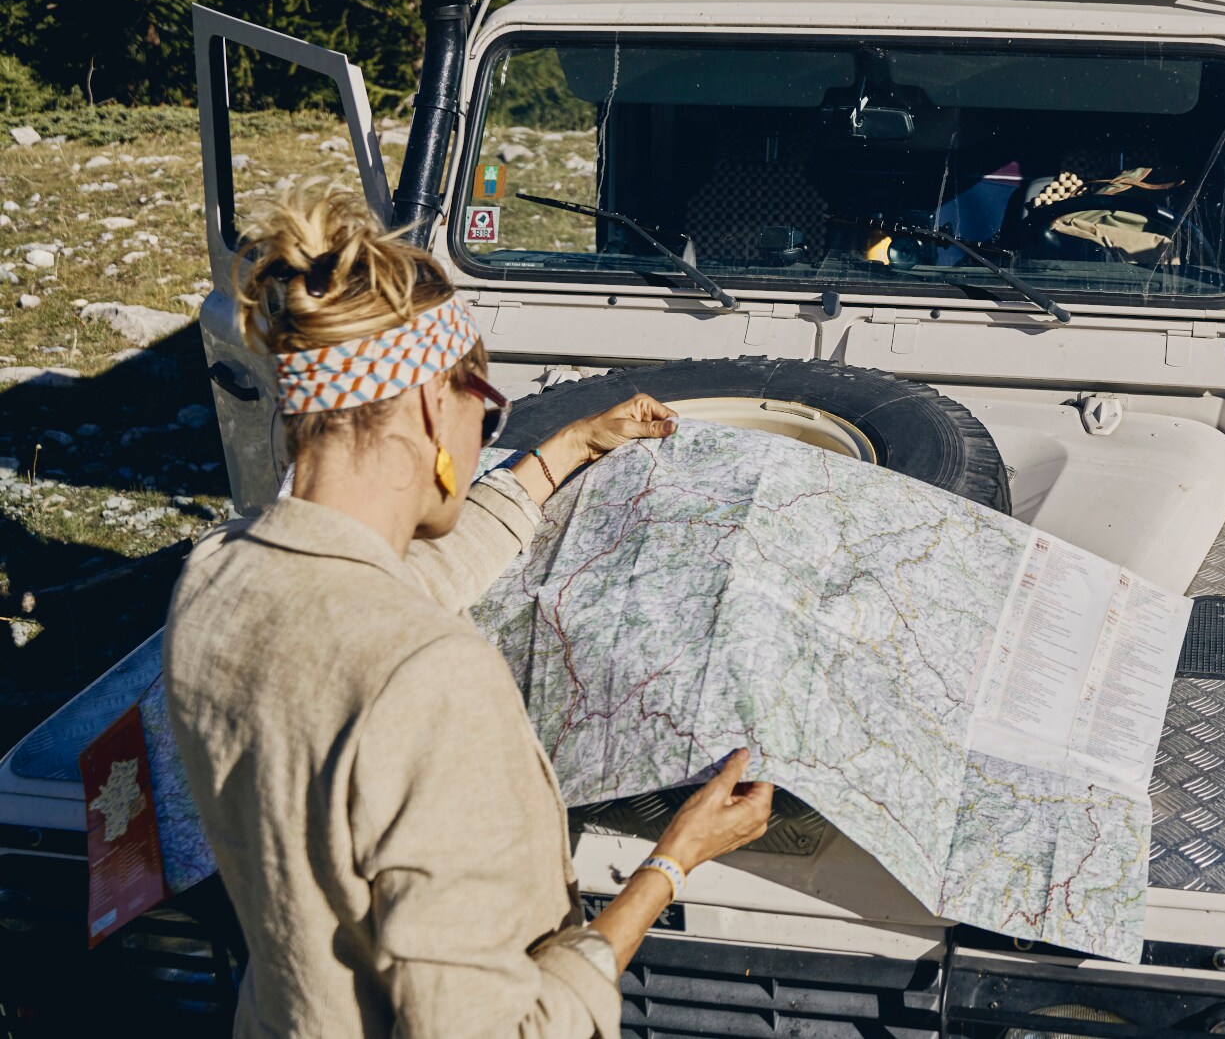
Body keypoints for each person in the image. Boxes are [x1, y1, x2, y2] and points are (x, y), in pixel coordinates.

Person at [164, 191, 773, 1037]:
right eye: (482, 399)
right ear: (427, 407)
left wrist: (566, 449)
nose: (486, 425)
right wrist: (669, 865)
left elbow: (412, 574)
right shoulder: (427, 678)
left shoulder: (220, 575)